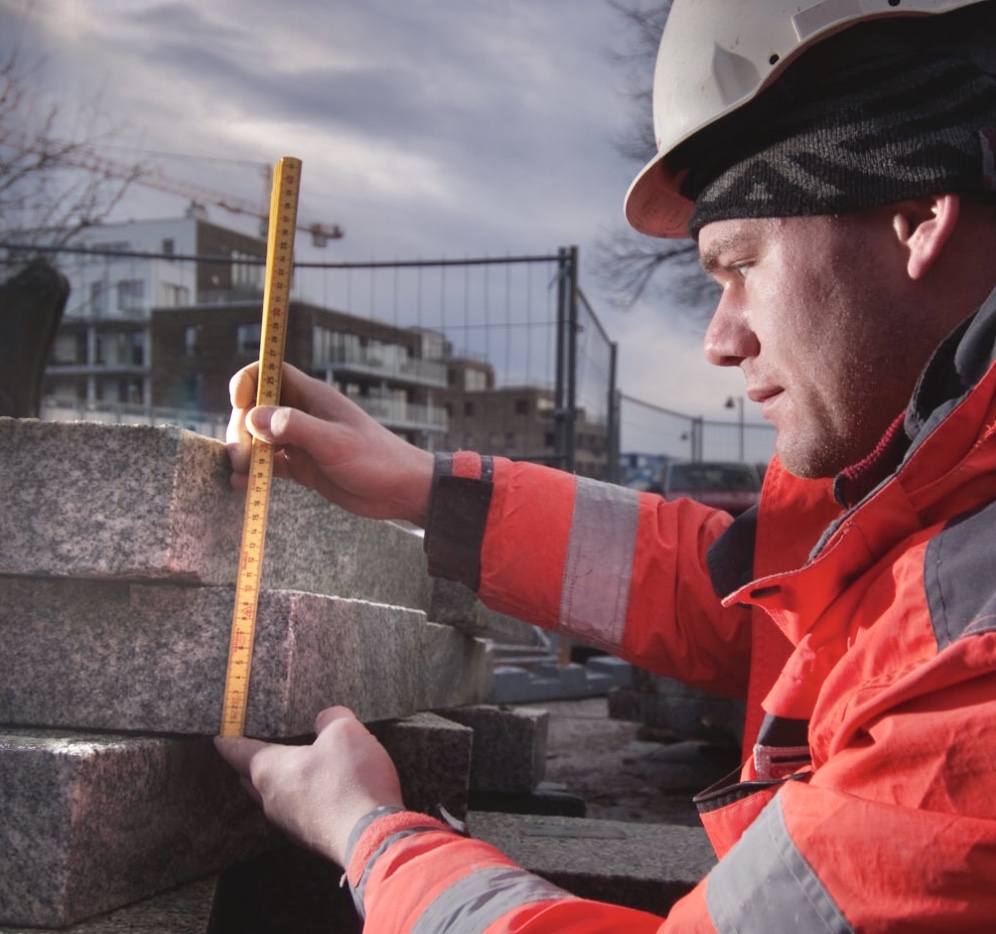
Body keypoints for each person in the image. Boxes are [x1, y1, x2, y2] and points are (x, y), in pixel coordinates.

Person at [216, 1, 996, 929]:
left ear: (917, 218)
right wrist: (426, 489)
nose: (719, 338)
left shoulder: (974, 676)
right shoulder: (933, 502)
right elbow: (739, 609)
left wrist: (370, 834)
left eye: (739, 265)